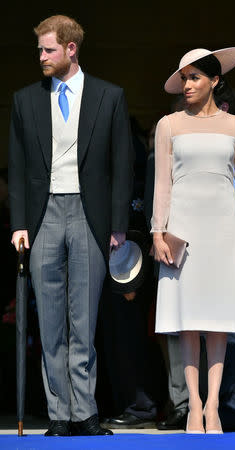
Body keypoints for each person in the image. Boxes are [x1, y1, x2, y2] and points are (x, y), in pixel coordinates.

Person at [8, 15, 133, 437]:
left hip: (88, 213)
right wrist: (19, 222)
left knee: (84, 318)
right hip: (43, 216)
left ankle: (85, 411)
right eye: (40, 50)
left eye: (48, 50)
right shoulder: (26, 99)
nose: (41, 57)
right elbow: (20, 164)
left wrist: (118, 223)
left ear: (71, 49)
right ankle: (60, 413)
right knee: (50, 320)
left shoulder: (108, 96)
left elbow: (122, 162)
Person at [151, 47, 235, 434]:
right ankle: (193, 405)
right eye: (184, 77)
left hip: (224, 229)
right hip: (183, 228)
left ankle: (213, 406)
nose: (188, 84)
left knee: (219, 320)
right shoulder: (169, 124)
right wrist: (157, 231)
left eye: (195, 77)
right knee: (188, 321)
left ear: (214, 80)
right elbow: (161, 184)